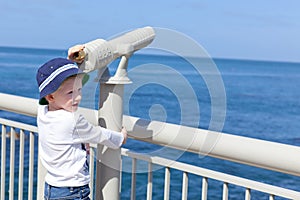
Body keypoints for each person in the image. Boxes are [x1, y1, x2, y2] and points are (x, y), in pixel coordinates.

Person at [36, 47, 127, 199]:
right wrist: (120, 138)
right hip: (73, 191)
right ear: (51, 97)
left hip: (52, 188)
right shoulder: (72, 120)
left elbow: (58, 84)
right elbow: (99, 135)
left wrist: (71, 63)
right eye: (70, 93)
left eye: (79, 90)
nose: (77, 97)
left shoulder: (43, 112)